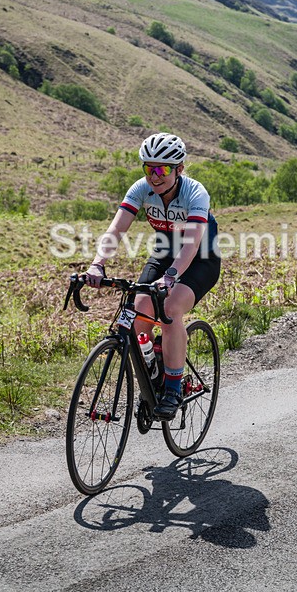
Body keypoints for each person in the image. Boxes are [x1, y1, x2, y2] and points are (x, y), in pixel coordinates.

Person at [84, 132, 220, 419]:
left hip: (200, 258)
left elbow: (191, 245)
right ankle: (153, 371)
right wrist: (97, 264)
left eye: (162, 170)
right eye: (149, 168)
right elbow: (116, 229)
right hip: (164, 252)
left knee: (169, 309)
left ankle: (172, 388)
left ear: (179, 169)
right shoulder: (141, 189)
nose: (154, 176)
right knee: (138, 314)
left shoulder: (196, 193)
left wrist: (170, 278)